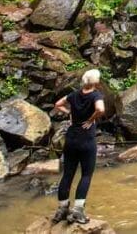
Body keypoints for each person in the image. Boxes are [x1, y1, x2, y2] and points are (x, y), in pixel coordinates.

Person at [51, 69, 105, 224]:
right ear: (95, 82)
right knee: (86, 175)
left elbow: (57, 104)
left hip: (71, 138)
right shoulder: (96, 95)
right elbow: (100, 109)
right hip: (86, 140)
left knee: (67, 174)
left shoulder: (74, 94)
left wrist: (69, 112)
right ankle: (77, 211)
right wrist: (91, 119)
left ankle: (62, 209)